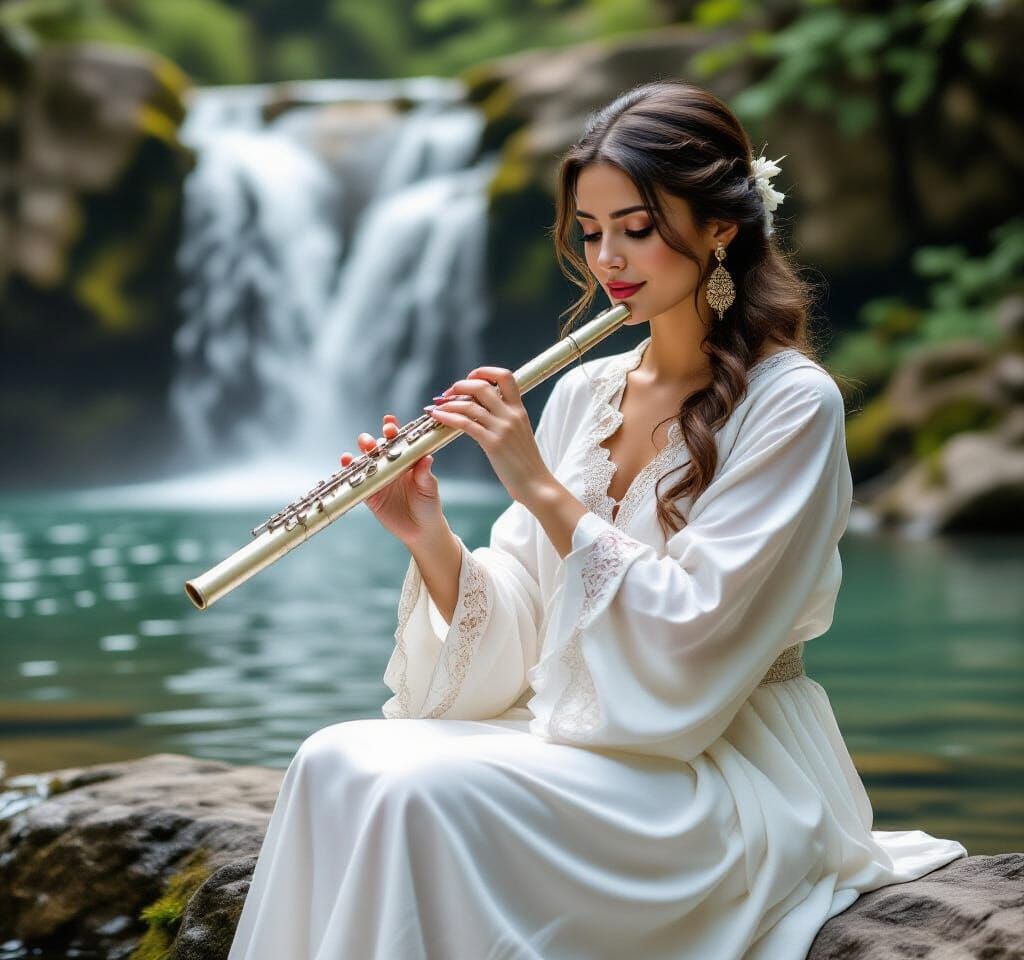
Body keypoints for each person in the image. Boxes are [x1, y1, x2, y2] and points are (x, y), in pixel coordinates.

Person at [226, 79, 967, 960]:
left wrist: (538, 484)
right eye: (589, 231)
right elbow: (529, 620)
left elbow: (699, 636)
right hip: (573, 739)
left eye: (637, 228)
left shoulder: (793, 405)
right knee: (331, 757)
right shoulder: (585, 389)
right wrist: (426, 534)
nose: (608, 258)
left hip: (721, 766)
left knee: (417, 793)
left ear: (720, 227)